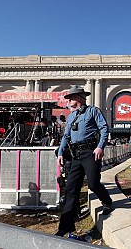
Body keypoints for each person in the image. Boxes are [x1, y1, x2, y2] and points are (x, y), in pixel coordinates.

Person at [55, 86, 113, 237]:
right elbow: (66, 136)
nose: (69, 101)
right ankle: (65, 227)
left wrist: (100, 147)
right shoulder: (70, 117)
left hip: (90, 152)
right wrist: (60, 152)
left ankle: (107, 201)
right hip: (75, 155)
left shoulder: (93, 111)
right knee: (70, 190)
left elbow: (104, 129)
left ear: (79, 98)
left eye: (71, 98)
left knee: (93, 183)